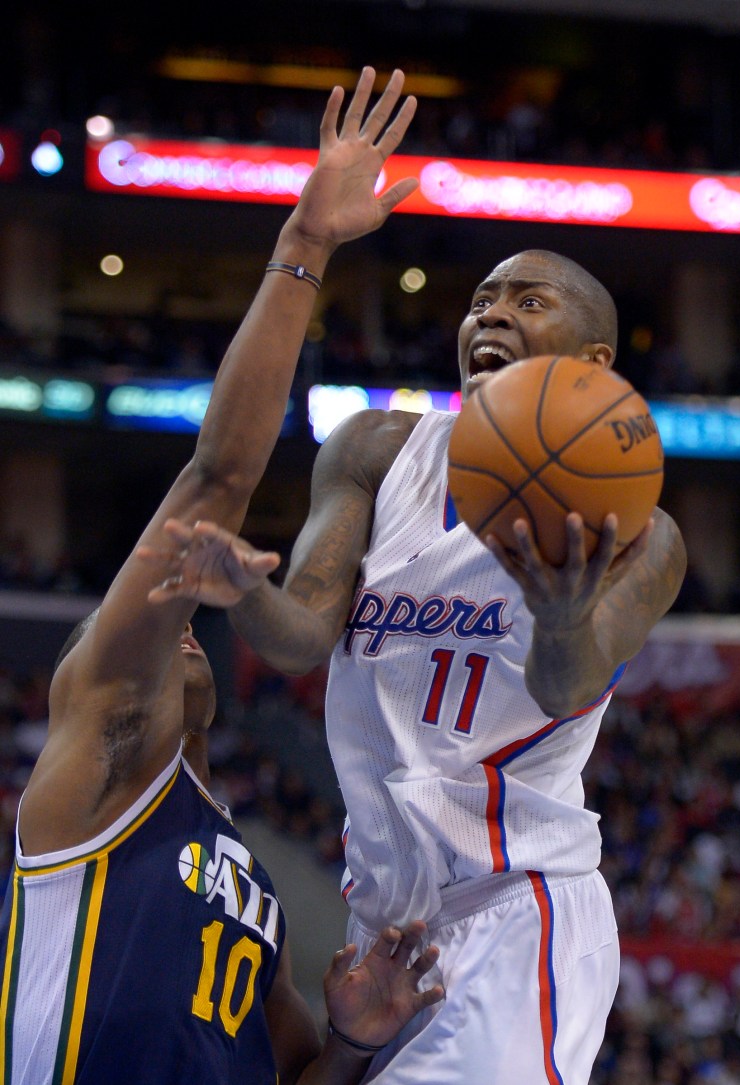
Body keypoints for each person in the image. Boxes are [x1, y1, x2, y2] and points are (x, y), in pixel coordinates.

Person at [142, 181, 688, 1084]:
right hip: (387, 929)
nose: (493, 314)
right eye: (483, 300)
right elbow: (300, 638)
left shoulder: (641, 531)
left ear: (594, 360)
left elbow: (566, 683)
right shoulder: (377, 451)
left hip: (519, 910)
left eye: (528, 301)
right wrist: (242, 589)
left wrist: (559, 613)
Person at [0, 68, 445, 1085]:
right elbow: (221, 474)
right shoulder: (102, 762)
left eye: (192, 629)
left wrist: (354, 1039)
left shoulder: (242, 877)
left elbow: (297, 1077)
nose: (182, 633)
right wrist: (307, 242)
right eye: (154, 635)